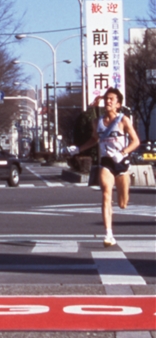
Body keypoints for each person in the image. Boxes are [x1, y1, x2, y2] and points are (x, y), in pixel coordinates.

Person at [71, 88, 140, 247]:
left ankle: (122, 202)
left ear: (118, 104)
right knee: (106, 195)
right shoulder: (97, 122)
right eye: (106, 99)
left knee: (123, 203)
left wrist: (123, 153)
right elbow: (94, 139)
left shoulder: (124, 120)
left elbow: (135, 141)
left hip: (121, 163)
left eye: (111, 99)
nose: (107, 101)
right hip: (106, 163)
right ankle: (109, 234)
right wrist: (78, 149)